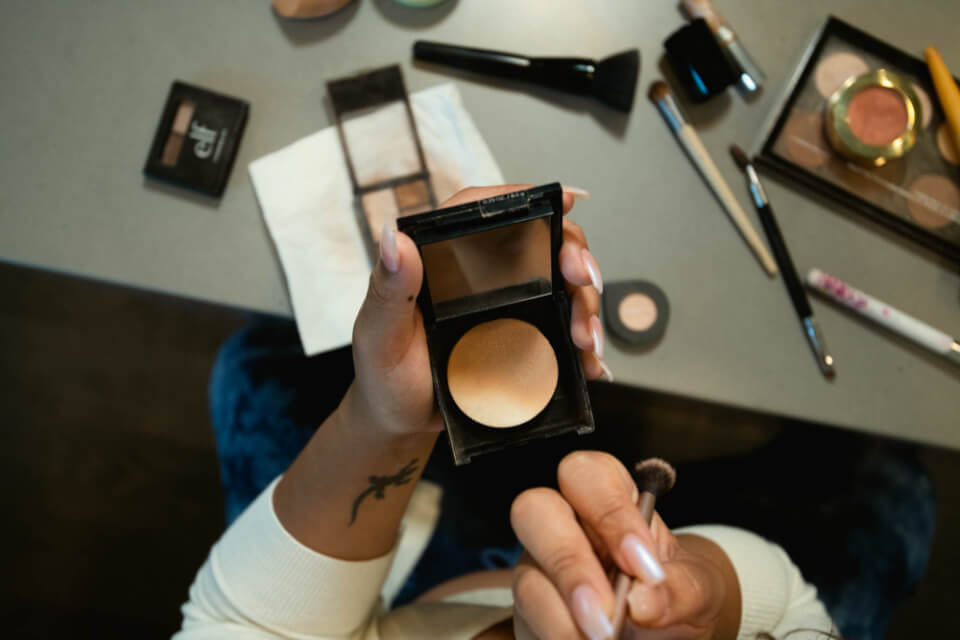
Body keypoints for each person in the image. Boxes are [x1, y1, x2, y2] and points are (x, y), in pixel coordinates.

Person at [175, 185, 931, 640]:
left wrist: (387, 418)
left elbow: (240, 624)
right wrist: (704, 600)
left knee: (254, 367)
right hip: (617, 559)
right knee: (891, 489)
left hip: (401, 595)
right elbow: (793, 604)